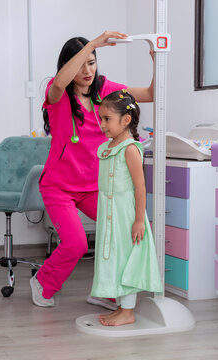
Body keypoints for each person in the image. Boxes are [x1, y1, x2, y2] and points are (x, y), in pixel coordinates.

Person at [29, 31, 154, 308]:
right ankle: (42, 281)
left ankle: (105, 291)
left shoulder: (106, 89)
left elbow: (149, 94)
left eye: (93, 62)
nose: (87, 70)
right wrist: (93, 44)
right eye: (82, 63)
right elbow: (61, 81)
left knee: (122, 231)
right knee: (76, 244)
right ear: (69, 64)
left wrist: (157, 62)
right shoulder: (57, 92)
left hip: (94, 186)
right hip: (59, 186)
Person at [91, 89, 163, 325]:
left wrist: (139, 220)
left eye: (107, 119)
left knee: (127, 258)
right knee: (115, 258)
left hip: (125, 214)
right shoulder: (107, 147)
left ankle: (129, 311)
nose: (102, 124)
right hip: (109, 214)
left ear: (126, 120)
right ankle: (122, 307)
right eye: (100, 118)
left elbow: (140, 187)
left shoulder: (131, 149)